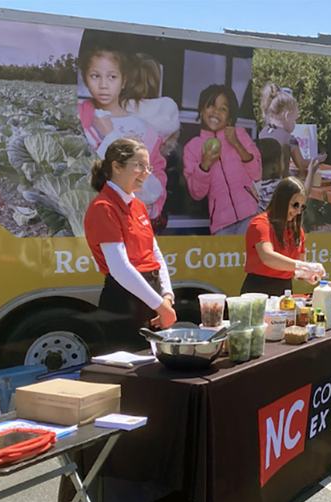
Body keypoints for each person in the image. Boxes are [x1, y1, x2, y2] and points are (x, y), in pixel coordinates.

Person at [83, 138, 177, 350]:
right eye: (139, 165)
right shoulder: (103, 207)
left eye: (148, 166)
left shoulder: (138, 205)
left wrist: (167, 296)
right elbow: (120, 268)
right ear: (116, 166)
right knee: (130, 373)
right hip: (123, 303)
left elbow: (155, 254)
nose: (146, 172)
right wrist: (160, 306)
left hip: (151, 297)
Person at [77, 49, 180, 219]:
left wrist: (110, 136)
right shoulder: (79, 116)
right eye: (95, 76)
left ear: (124, 81)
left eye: (112, 77)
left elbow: (151, 193)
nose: (103, 85)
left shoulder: (147, 133)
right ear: (85, 79)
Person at [182, 84, 262, 235]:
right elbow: (196, 193)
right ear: (201, 110)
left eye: (223, 109)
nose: (216, 112)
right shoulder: (192, 147)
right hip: (222, 225)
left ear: (230, 117)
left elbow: (257, 173)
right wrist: (205, 164)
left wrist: (236, 144)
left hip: (251, 215)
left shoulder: (240, 134)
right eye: (211, 106)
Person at [241, 177, 326, 296]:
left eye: (302, 207)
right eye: (295, 205)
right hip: (258, 290)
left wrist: (309, 274)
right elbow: (267, 256)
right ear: (282, 201)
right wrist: (304, 266)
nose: (298, 211)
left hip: (285, 291)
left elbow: (296, 268)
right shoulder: (260, 223)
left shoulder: (297, 230)